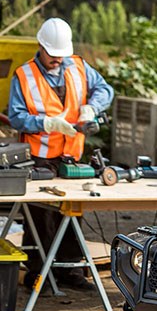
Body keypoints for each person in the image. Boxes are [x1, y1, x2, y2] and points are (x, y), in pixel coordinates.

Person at [7, 17, 114, 291]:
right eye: (52, 55)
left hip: (71, 155)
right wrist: (46, 123)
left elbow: (105, 89)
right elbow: (17, 117)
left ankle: (70, 270)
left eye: (60, 55)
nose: (57, 60)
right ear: (41, 47)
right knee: (41, 217)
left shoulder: (77, 66)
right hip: (39, 157)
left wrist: (92, 108)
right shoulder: (24, 75)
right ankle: (39, 274)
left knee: (72, 213)